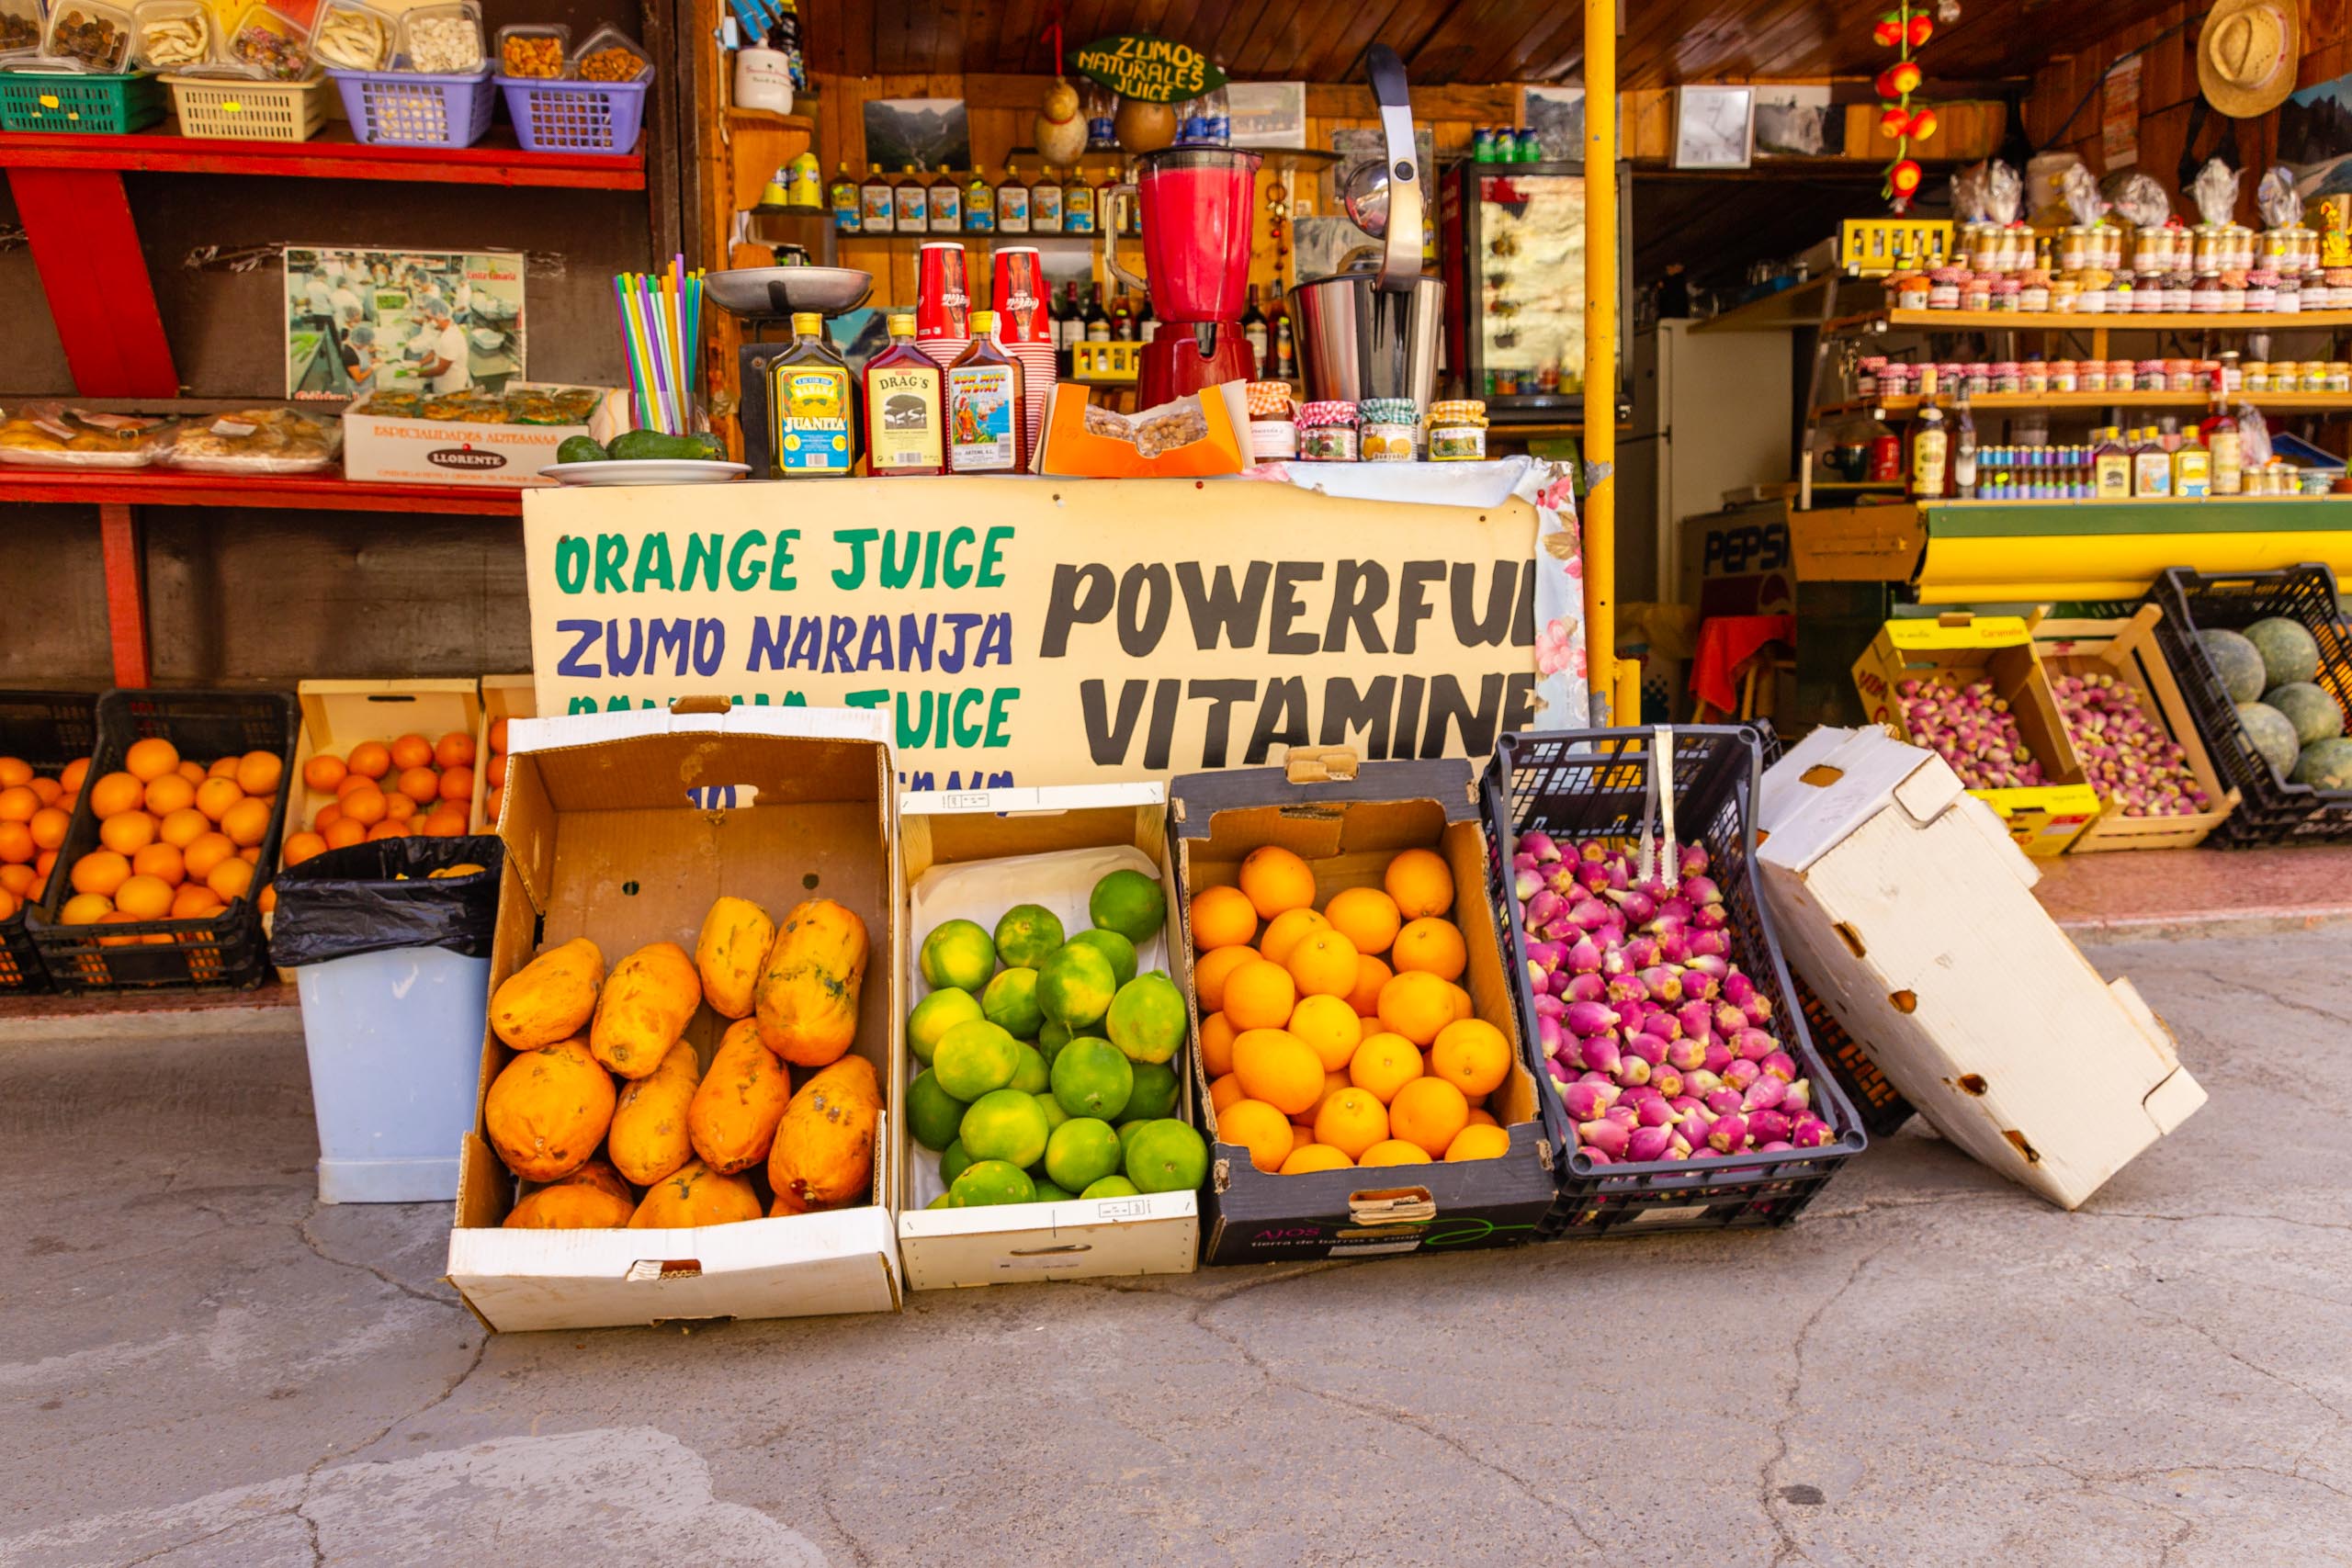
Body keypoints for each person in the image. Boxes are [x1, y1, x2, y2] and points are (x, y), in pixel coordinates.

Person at [413, 299, 470, 395]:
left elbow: (441, 370)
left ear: (440, 316)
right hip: (441, 381)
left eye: (428, 318)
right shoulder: (442, 330)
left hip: (451, 387)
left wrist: (418, 374)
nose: (426, 321)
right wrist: (419, 363)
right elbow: (436, 351)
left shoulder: (450, 338)